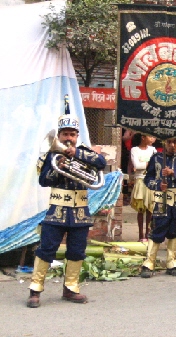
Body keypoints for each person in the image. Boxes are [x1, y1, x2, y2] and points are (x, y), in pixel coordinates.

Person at [27, 114, 107, 308]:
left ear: (77, 136)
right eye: (64, 134)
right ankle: (35, 290)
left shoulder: (84, 153)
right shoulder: (51, 156)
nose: (68, 138)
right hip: (57, 210)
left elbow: (101, 163)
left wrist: (76, 155)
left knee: (77, 251)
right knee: (46, 249)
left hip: (80, 212)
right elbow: (43, 180)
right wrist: (58, 167)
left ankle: (71, 288)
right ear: (59, 136)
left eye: (72, 134)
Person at [141, 138, 176, 278]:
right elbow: (147, 179)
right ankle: (149, 262)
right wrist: (158, 185)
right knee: (158, 228)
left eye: (175, 142)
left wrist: (173, 174)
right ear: (164, 143)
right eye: (169, 142)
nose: (172, 145)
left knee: (174, 230)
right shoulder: (156, 158)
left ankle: (171, 262)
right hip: (161, 199)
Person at [130, 133, 157, 242]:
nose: (152, 138)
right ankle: (141, 234)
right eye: (150, 136)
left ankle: (148, 232)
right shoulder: (134, 150)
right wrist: (149, 163)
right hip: (140, 180)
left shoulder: (153, 150)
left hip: (151, 181)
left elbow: (156, 165)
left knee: (150, 209)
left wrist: (144, 164)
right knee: (141, 209)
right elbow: (136, 166)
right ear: (143, 137)